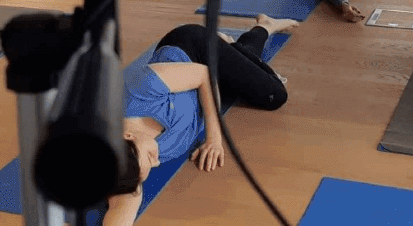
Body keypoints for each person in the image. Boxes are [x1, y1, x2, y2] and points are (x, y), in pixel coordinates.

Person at [104, 15, 296, 225]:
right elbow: (122, 209)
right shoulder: (124, 171)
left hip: (194, 52)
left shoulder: (137, 89)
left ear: (127, 135)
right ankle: (261, 28)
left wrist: (214, 139)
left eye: (149, 156)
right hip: (200, 97)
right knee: (243, 78)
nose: (156, 161)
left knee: (274, 94)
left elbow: (204, 75)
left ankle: (225, 44)